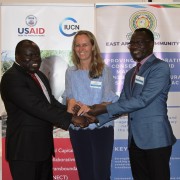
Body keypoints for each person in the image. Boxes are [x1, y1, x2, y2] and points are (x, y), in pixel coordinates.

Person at [78, 28, 177, 180]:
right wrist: (97, 118)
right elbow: (123, 103)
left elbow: (142, 100)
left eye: (139, 42)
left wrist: (103, 108)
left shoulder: (160, 67)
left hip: (156, 139)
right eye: (132, 43)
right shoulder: (131, 73)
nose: (134, 46)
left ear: (151, 44)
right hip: (135, 141)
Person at [0, 39, 88, 180]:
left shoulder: (39, 75)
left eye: (37, 55)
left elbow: (49, 101)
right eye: (29, 56)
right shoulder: (11, 78)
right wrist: (70, 119)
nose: (35, 59)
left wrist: (71, 110)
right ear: (17, 57)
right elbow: (36, 106)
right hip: (24, 151)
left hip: (43, 149)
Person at [62, 30, 119, 180]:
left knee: (101, 173)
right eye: (77, 45)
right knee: (85, 172)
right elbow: (69, 99)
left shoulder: (104, 70)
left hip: (100, 129)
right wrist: (72, 104)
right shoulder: (70, 72)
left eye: (85, 45)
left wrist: (90, 108)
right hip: (78, 128)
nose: (81, 49)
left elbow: (109, 101)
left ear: (93, 46)